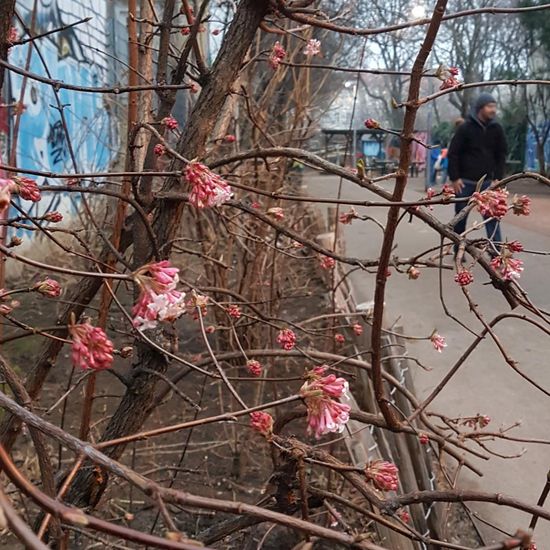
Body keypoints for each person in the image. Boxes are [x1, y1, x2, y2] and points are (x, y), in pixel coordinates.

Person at [448, 93, 508, 253]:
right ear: (481, 108)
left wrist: (498, 179)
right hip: (465, 182)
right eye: (490, 106)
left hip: (488, 183)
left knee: (492, 218)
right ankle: (458, 249)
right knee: (460, 219)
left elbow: (501, 154)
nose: (493, 110)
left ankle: (496, 253)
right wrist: (454, 178)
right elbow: (453, 153)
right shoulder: (465, 128)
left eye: (495, 106)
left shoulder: (497, 129)